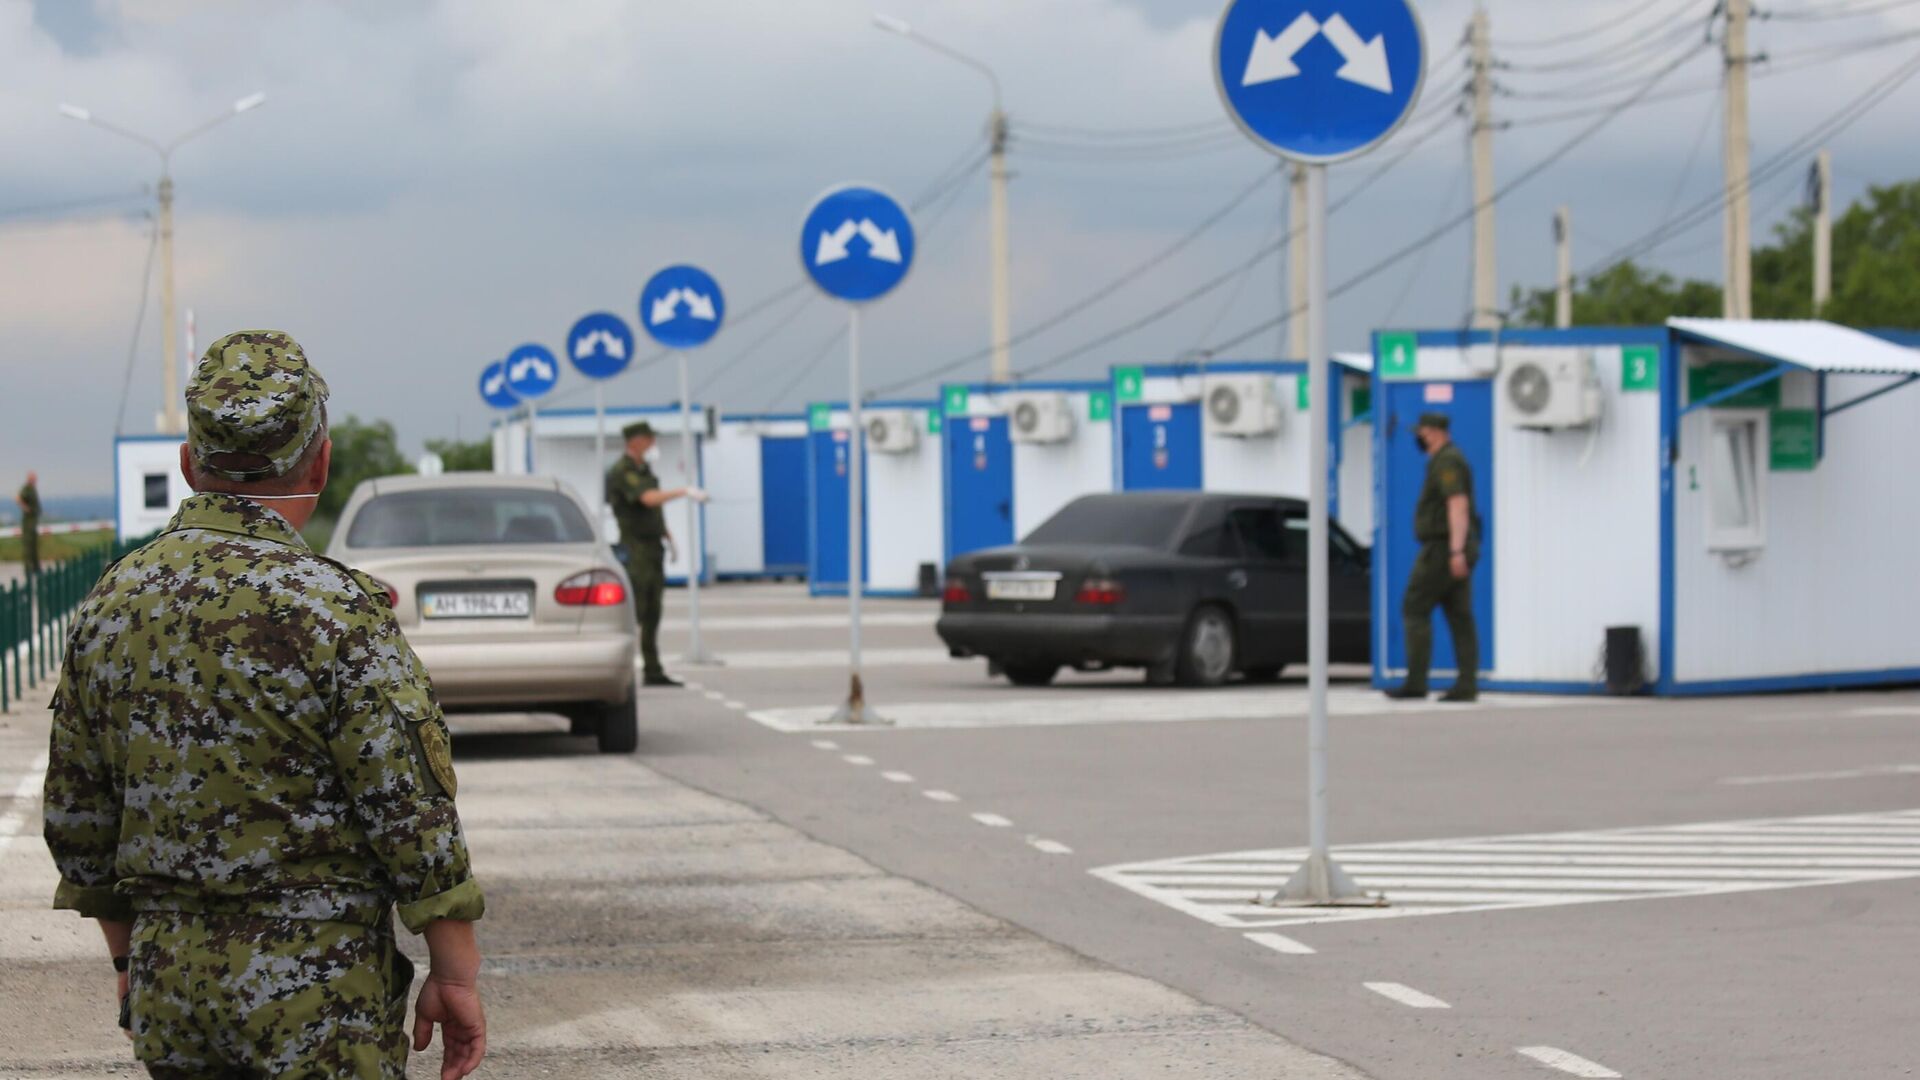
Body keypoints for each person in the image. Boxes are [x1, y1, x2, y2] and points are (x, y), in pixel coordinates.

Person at [42, 330, 486, 1080]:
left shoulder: (109, 605)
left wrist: (130, 961)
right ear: (322, 459)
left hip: (169, 986)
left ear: (189, 465)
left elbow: (79, 819)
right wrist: (454, 973)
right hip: (318, 989)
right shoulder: (335, 608)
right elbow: (408, 811)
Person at [1386, 412, 1481, 704]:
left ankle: (1416, 682)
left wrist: (1455, 551)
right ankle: (1466, 684)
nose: (1420, 437)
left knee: (1414, 608)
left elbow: (1458, 504)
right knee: (1459, 615)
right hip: (1453, 547)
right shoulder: (1448, 459)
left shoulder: (1447, 461)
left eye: (1423, 432)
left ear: (1434, 432)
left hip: (1442, 548)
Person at [606, 420, 707, 688]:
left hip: (652, 548)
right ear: (635, 441)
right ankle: (621, 670)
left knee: (653, 612)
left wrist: (668, 536)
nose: (653, 444)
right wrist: (684, 491)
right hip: (635, 549)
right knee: (634, 613)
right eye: (649, 439)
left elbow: (653, 511)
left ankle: (653, 669)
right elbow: (648, 499)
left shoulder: (643, 469)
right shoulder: (622, 471)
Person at [16, 470, 40, 579]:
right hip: (28, 523)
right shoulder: (26, 489)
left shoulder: (32, 489)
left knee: (34, 546)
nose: (35, 480)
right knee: (28, 547)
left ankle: (35, 568)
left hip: (33, 522)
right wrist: (26, 508)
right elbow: (18, 498)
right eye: (33, 478)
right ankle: (28, 570)